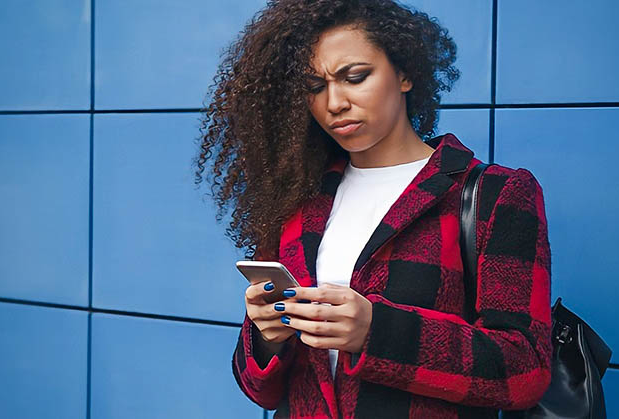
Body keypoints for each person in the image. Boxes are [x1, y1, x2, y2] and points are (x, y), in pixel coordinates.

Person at [193, 1, 552, 417]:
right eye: (315, 86)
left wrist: (375, 332)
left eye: (355, 77)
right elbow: (263, 393)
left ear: (405, 74)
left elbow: (524, 371)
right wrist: (268, 337)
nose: (334, 103)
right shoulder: (299, 200)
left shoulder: (495, 194)